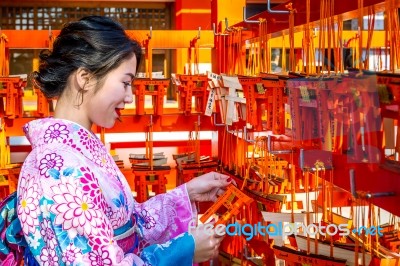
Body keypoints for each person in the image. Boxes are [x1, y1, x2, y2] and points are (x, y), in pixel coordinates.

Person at [16, 16, 232, 265]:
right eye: (125, 83)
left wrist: (187, 193)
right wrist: (184, 250)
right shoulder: (56, 168)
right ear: (85, 78)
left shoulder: (76, 155)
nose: (130, 97)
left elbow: (129, 224)